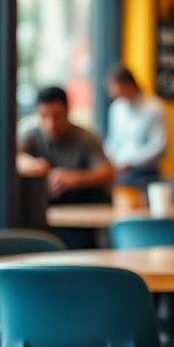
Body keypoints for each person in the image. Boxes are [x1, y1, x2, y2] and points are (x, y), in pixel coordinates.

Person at [17, 86, 115, 249]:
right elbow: (15, 157)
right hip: (40, 216)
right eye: (44, 116)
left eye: (57, 116)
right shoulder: (31, 136)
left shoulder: (86, 138)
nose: (50, 124)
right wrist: (25, 162)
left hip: (78, 218)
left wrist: (74, 178)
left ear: (68, 111)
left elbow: (107, 172)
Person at [103, 65, 168, 188]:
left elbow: (159, 147)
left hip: (144, 173)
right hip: (118, 172)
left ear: (129, 85)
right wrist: (106, 162)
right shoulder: (117, 108)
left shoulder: (154, 108)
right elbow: (113, 142)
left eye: (116, 89)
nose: (113, 94)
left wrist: (129, 163)